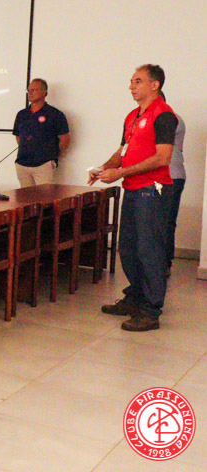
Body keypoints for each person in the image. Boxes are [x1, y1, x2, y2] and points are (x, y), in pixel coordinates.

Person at [89, 64, 176, 332]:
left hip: (152, 190)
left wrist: (120, 173)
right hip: (133, 188)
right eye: (131, 81)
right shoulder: (132, 116)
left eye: (138, 81)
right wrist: (105, 168)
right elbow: (123, 151)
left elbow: (163, 158)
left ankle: (150, 311)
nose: (131, 87)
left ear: (155, 85)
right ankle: (135, 298)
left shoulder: (164, 115)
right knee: (127, 247)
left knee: (150, 250)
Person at [12, 78, 70, 187]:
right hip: (22, 164)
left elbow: (65, 139)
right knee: (25, 196)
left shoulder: (55, 114)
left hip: (43, 165)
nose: (30, 93)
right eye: (29, 90)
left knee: (44, 196)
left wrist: (51, 156)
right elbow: (18, 137)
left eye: (34, 90)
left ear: (45, 92)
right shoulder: (22, 114)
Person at [161, 92, 185, 276]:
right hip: (158, 177)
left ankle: (164, 263)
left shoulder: (171, 119)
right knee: (155, 221)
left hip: (172, 176)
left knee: (167, 221)